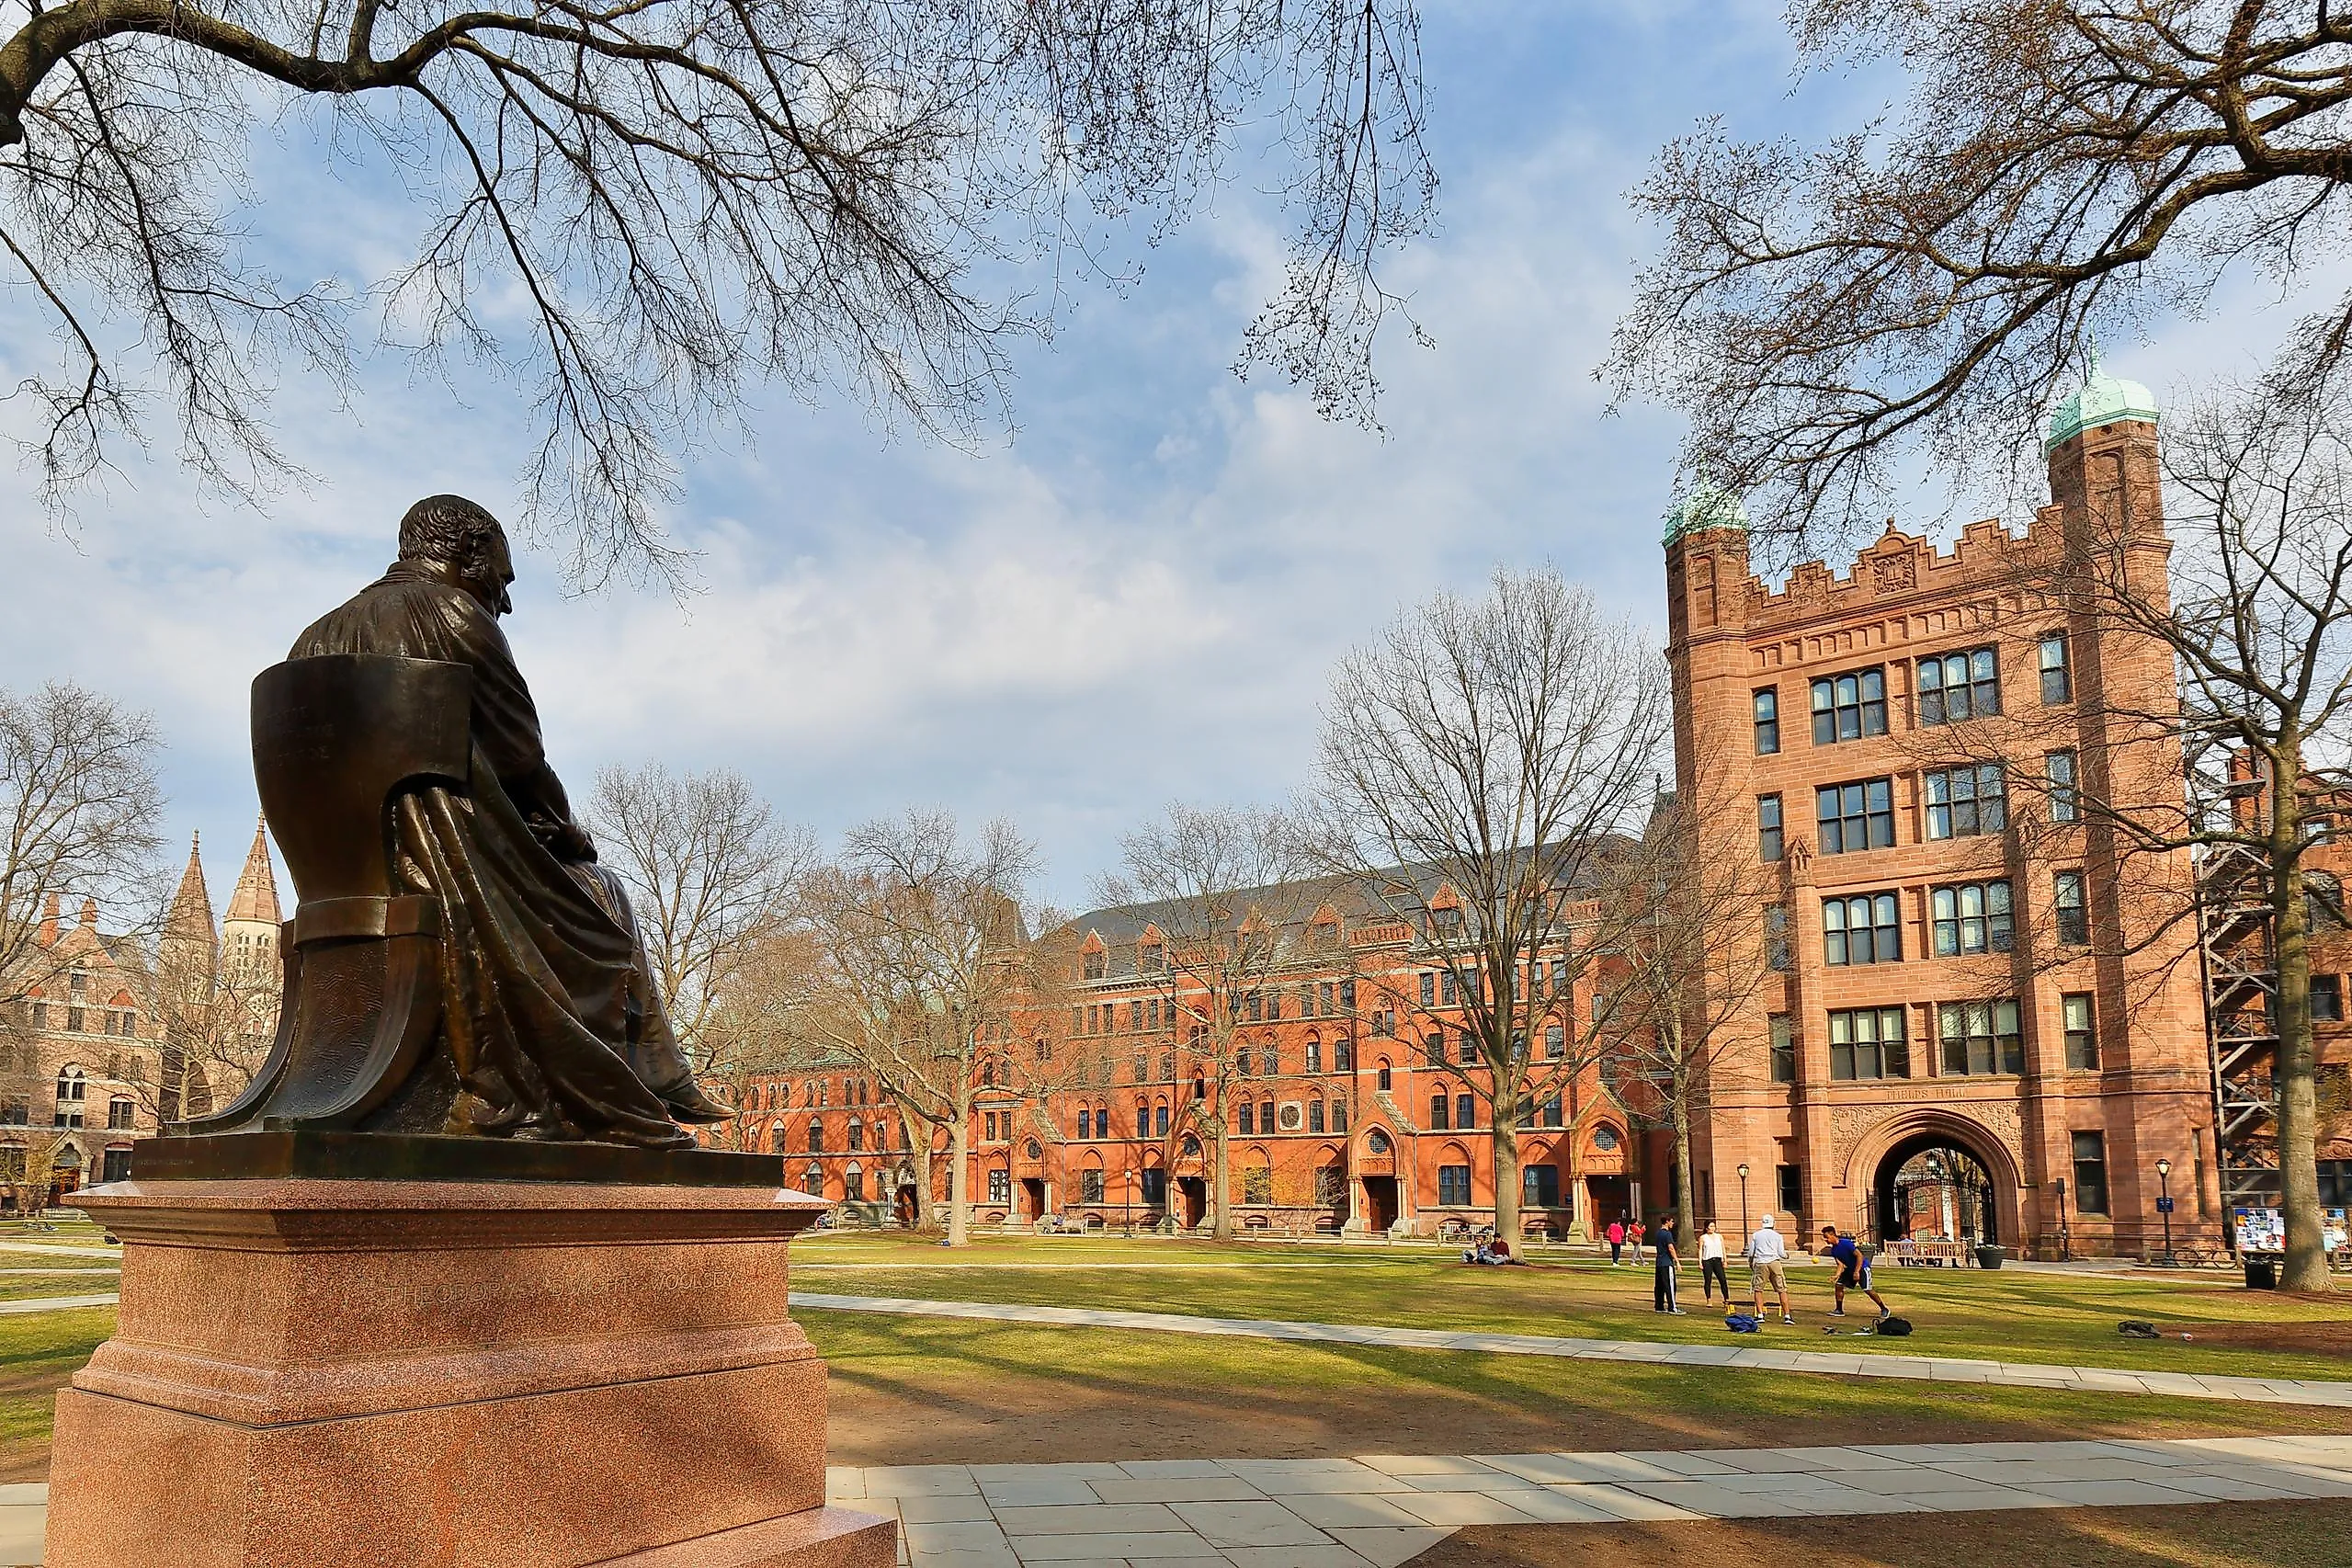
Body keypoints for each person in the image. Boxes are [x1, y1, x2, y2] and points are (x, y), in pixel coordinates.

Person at [288, 495, 732, 1146]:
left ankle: (661, 1074)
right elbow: (520, 755)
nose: (506, 599)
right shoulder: (451, 614)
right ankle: (645, 1081)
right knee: (599, 890)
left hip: (341, 877)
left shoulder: (314, 635)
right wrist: (567, 830)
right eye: (502, 576)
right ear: (467, 555)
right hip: (446, 863)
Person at [1822, 1225, 1892, 1322]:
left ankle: (1884, 1309)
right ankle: (1839, 1310)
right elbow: (1840, 1264)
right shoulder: (1834, 1250)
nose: (1826, 1240)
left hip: (1862, 1267)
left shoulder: (1846, 1243)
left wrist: (1857, 1272)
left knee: (1867, 1289)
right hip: (1850, 1269)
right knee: (1839, 1285)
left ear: (1832, 1235)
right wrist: (1836, 1275)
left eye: (1827, 1237)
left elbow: (1859, 1256)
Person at [1745, 1211, 1793, 1325]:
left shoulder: (1756, 1235)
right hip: (1774, 1262)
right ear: (1773, 1223)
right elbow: (1781, 1253)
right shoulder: (1777, 1236)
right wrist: (1787, 1256)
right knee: (1782, 1289)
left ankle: (1760, 1315)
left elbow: (1751, 1252)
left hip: (1761, 1262)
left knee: (1758, 1289)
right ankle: (1787, 1316)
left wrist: (1751, 1262)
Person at [1652, 1213, 1683, 1313]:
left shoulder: (1657, 1233)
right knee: (1670, 1285)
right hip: (1666, 1263)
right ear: (1667, 1222)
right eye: (1672, 1221)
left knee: (1659, 1285)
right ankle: (1672, 1307)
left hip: (1659, 1263)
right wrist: (1677, 1261)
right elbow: (1671, 1248)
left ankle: (1659, 1306)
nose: (1673, 1223)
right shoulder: (1667, 1234)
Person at [1699, 1219, 1731, 1303]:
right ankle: (1709, 1299)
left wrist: (1725, 1260)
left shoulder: (1719, 1236)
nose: (1712, 1228)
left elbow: (1723, 1248)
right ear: (1706, 1228)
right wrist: (1700, 1262)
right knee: (1708, 1280)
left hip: (1718, 1260)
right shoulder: (1703, 1237)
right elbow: (1701, 1250)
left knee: (1722, 1279)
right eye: (1711, 1226)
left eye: (1714, 1226)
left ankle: (1726, 1298)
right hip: (1707, 1261)